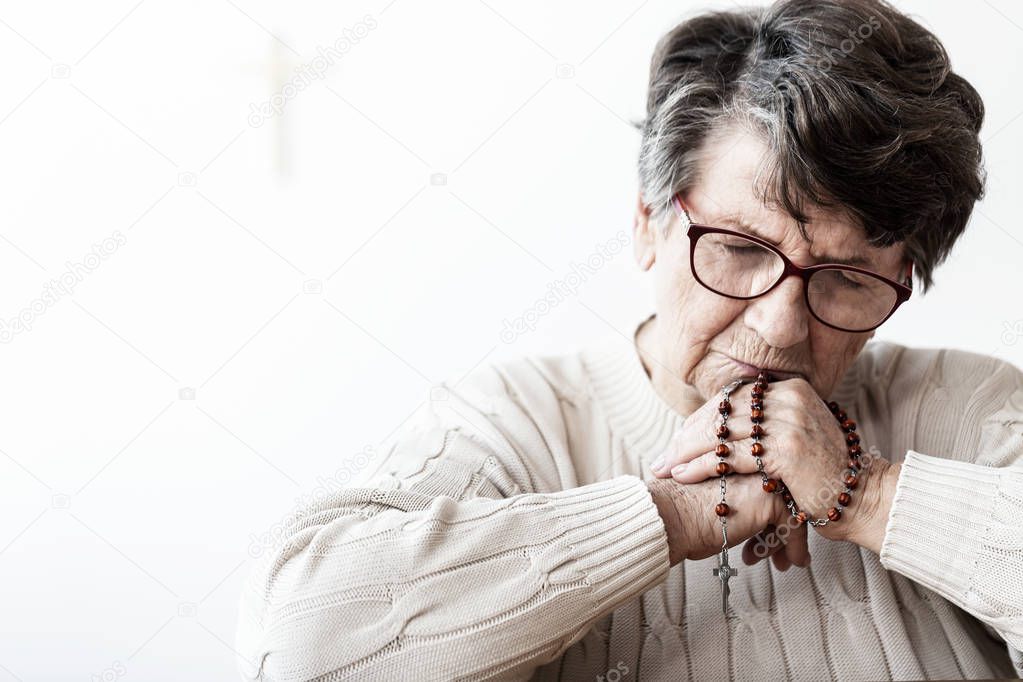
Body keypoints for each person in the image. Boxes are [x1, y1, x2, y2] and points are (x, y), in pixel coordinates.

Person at [235, 0, 1023, 678]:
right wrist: (670, 515)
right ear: (647, 225)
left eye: (847, 278)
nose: (779, 324)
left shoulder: (969, 410)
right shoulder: (516, 424)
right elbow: (299, 647)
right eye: (739, 250)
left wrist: (868, 493)